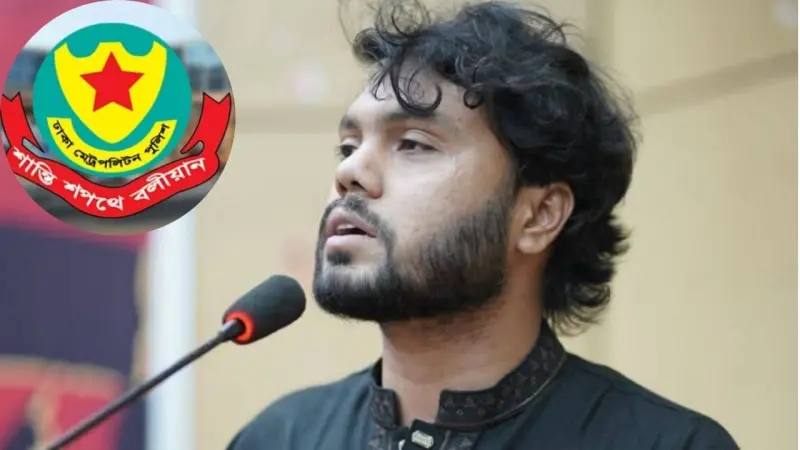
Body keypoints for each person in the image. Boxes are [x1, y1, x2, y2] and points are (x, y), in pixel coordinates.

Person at [227, 1, 738, 449]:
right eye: (347, 146)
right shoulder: (278, 438)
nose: (350, 172)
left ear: (538, 215)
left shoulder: (666, 444)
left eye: (413, 144)